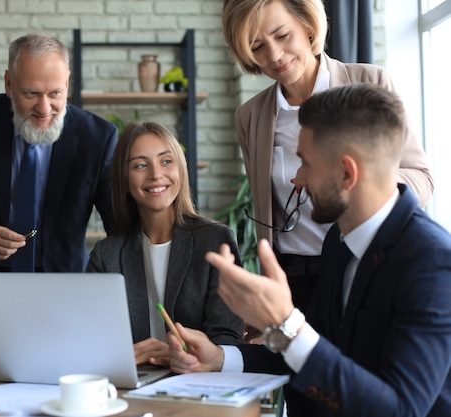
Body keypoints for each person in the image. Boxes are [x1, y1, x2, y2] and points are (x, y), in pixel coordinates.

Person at [168, 84, 451, 416]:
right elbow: (316, 349)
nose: (297, 179)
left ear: (347, 173)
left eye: (306, 163)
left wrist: (286, 323)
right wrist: (220, 358)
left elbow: (400, 409)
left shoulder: (432, 262)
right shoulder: (339, 242)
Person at [221, 0, 433, 314]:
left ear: (308, 26)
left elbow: (422, 180)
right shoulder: (250, 116)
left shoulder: (370, 84)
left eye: (282, 36)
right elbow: (267, 213)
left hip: (366, 266)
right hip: (294, 281)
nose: (275, 56)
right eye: (257, 46)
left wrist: (352, 183)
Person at [0, 32, 117, 273]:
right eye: (32, 94)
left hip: (64, 280)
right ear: (9, 84)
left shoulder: (99, 137)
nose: (44, 108)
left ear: (67, 84)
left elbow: (118, 227)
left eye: (55, 93)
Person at [87, 121, 245, 369]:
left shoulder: (215, 241)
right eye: (140, 165)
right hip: (132, 387)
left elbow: (228, 338)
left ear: (180, 170)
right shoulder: (106, 255)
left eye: (166, 161)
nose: (156, 174)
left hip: (198, 386)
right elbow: (93, 340)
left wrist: (195, 358)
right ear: (124, 180)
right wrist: (125, 356)